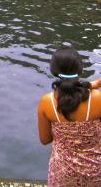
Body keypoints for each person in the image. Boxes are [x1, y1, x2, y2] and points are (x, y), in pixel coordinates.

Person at [38, 48, 101, 186]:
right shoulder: (97, 99)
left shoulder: (47, 102)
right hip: (96, 172)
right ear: (81, 69)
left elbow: (45, 140)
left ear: (54, 71)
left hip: (62, 173)